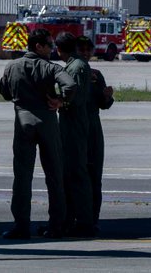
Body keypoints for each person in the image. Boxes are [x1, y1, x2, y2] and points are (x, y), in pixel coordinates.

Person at [0, 28, 75, 240]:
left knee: (22, 177)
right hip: (47, 122)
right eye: (49, 45)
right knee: (54, 176)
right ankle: (56, 225)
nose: (52, 49)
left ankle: (21, 226)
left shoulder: (12, 66)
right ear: (38, 46)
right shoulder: (51, 68)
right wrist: (61, 101)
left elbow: (4, 92)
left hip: (23, 121)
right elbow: (70, 84)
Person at [55, 31, 95, 237]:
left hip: (75, 124)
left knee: (77, 173)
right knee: (69, 174)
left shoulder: (77, 67)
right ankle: (72, 218)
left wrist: (61, 101)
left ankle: (85, 221)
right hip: (70, 124)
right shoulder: (73, 66)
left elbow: (77, 97)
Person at [77, 36, 115, 230]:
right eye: (81, 49)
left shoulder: (96, 75)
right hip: (75, 127)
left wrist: (107, 97)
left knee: (94, 175)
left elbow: (104, 104)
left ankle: (93, 217)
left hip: (93, 127)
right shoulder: (68, 72)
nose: (85, 53)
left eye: (88, 50)